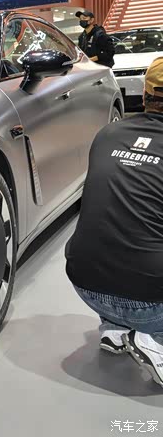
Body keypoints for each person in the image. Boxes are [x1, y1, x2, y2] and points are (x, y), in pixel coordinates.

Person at [65, 57, 163, 388]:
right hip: (149, 301)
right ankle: (156, 340)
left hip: (85, 283)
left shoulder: (108, 133)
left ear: (145, 95)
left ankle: (115, 329)